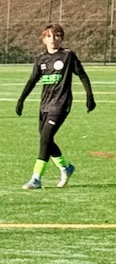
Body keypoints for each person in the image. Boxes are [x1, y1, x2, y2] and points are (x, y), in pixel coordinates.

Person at [16, 23, 96, 189]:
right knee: (47, 139)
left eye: (57, 35)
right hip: (45, 104)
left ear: (62, 38)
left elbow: (82, 74)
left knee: (45, 139)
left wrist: (89, 96)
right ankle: (65, 167)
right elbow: (32, 80)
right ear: (44, 39)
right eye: (50, 36)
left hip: (61, 103)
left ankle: (36, 178)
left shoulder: (68, 55)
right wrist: (21, 100)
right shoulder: (40, 59)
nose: (53, 39)